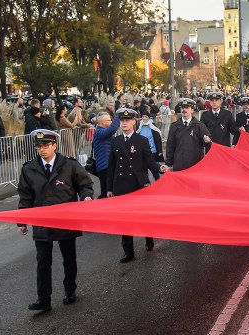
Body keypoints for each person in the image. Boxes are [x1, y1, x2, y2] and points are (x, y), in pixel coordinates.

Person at [17, 129, 95, 311]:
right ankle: (43, 298)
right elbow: (25, 196)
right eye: (39, 147)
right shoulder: (29, 168)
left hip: (66, 220)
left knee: (69, 257)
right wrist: (22, 221)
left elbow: (85, 184)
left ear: (54, 145)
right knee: (43, 260)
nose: (42, 150)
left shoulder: (69, 165)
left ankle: (70, 290)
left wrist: (87, 196)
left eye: (45, 146)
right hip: (42, 221)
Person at [109, 109, 169, 262]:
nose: (124, 123)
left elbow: (149, 161)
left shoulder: (141, 140)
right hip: (121, 185)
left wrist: (159, 168)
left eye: (127, 120)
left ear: (134, 121)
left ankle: (148, 237)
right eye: (122, 120)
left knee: (142, 216)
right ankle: (128, 251)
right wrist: (109, 188)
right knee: (124, 220)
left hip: (138, 184)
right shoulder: (115, 141)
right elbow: (112, 166)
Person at [166, 98, 212, 171]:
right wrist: (168, 164)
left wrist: (207, 141)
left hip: (195, 164)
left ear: (192, 110)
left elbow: (207, 144)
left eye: (187, 108)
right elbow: (170, 146)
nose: (184, 110)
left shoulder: (199, 126)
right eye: (182, 108)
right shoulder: (174, 126)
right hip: (179, 164)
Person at [89, 110, 121, 197]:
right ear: (103, 122)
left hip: (106, 166)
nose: (111, 122)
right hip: (104, 167)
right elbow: (113, 129)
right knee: (106, 192)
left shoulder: (101, 131)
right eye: (109, 120)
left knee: (107, 191)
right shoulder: (99, 132)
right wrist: (119, 114)